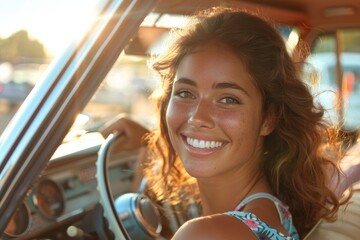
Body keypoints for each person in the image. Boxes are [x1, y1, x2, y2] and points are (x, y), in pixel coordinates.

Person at [101, 7, 351, 239]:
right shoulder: (274, 211)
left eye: (229, 99)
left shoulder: (205, 234)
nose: (197, 117)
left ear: (269, 118)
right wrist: (151, 139)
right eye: (186, 93)